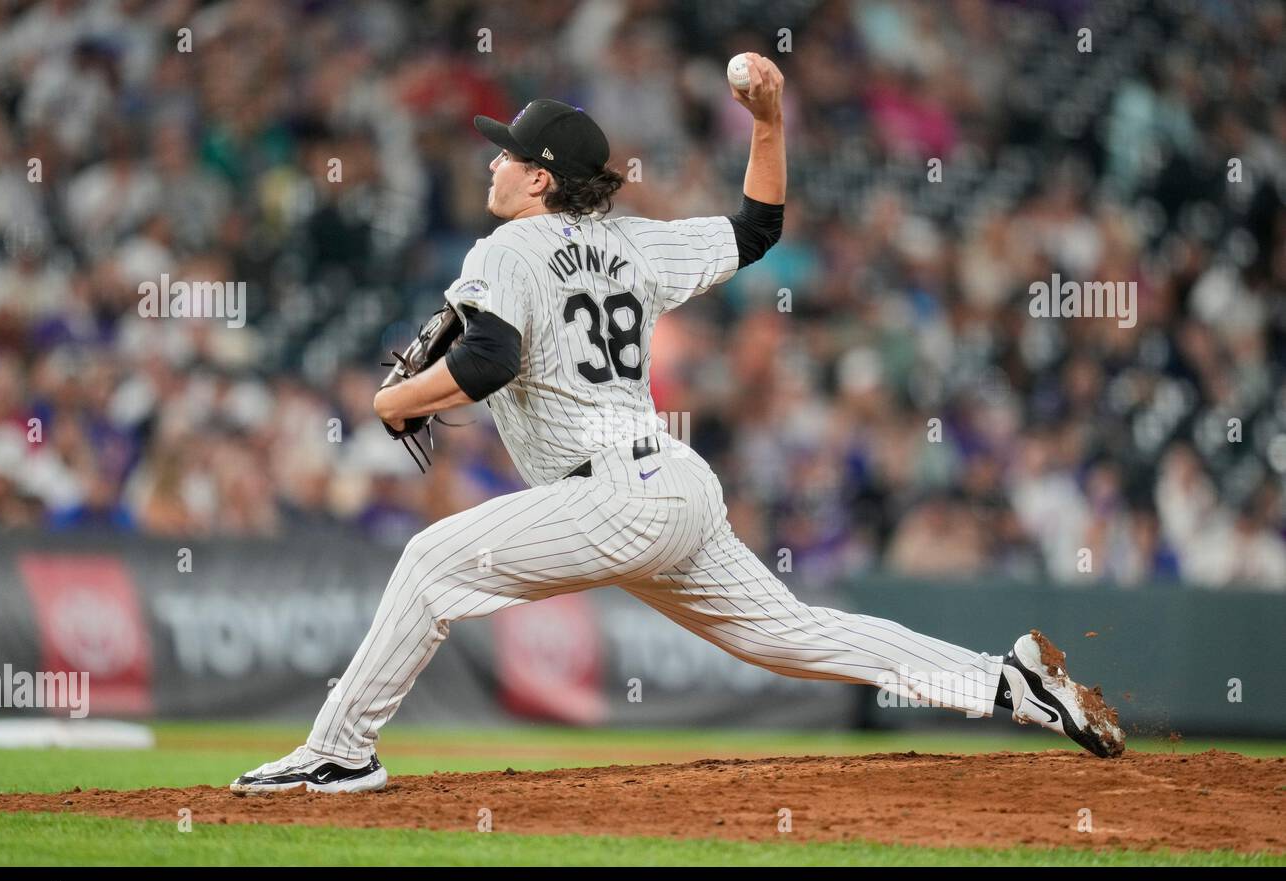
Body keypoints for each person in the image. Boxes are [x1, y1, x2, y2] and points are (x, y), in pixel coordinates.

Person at [232, 54, 1123, 795]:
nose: (493, 164)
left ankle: (340, 751)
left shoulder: (503, 249)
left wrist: (395, 399)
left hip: (614, 494)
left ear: (539, 178)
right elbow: (761, 226)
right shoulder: (637, 241)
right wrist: (768, 121)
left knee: (429, 562)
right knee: (794, 635)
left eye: (507, 156)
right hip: (673, 484)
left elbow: (489, 363)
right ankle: (1006, 684)